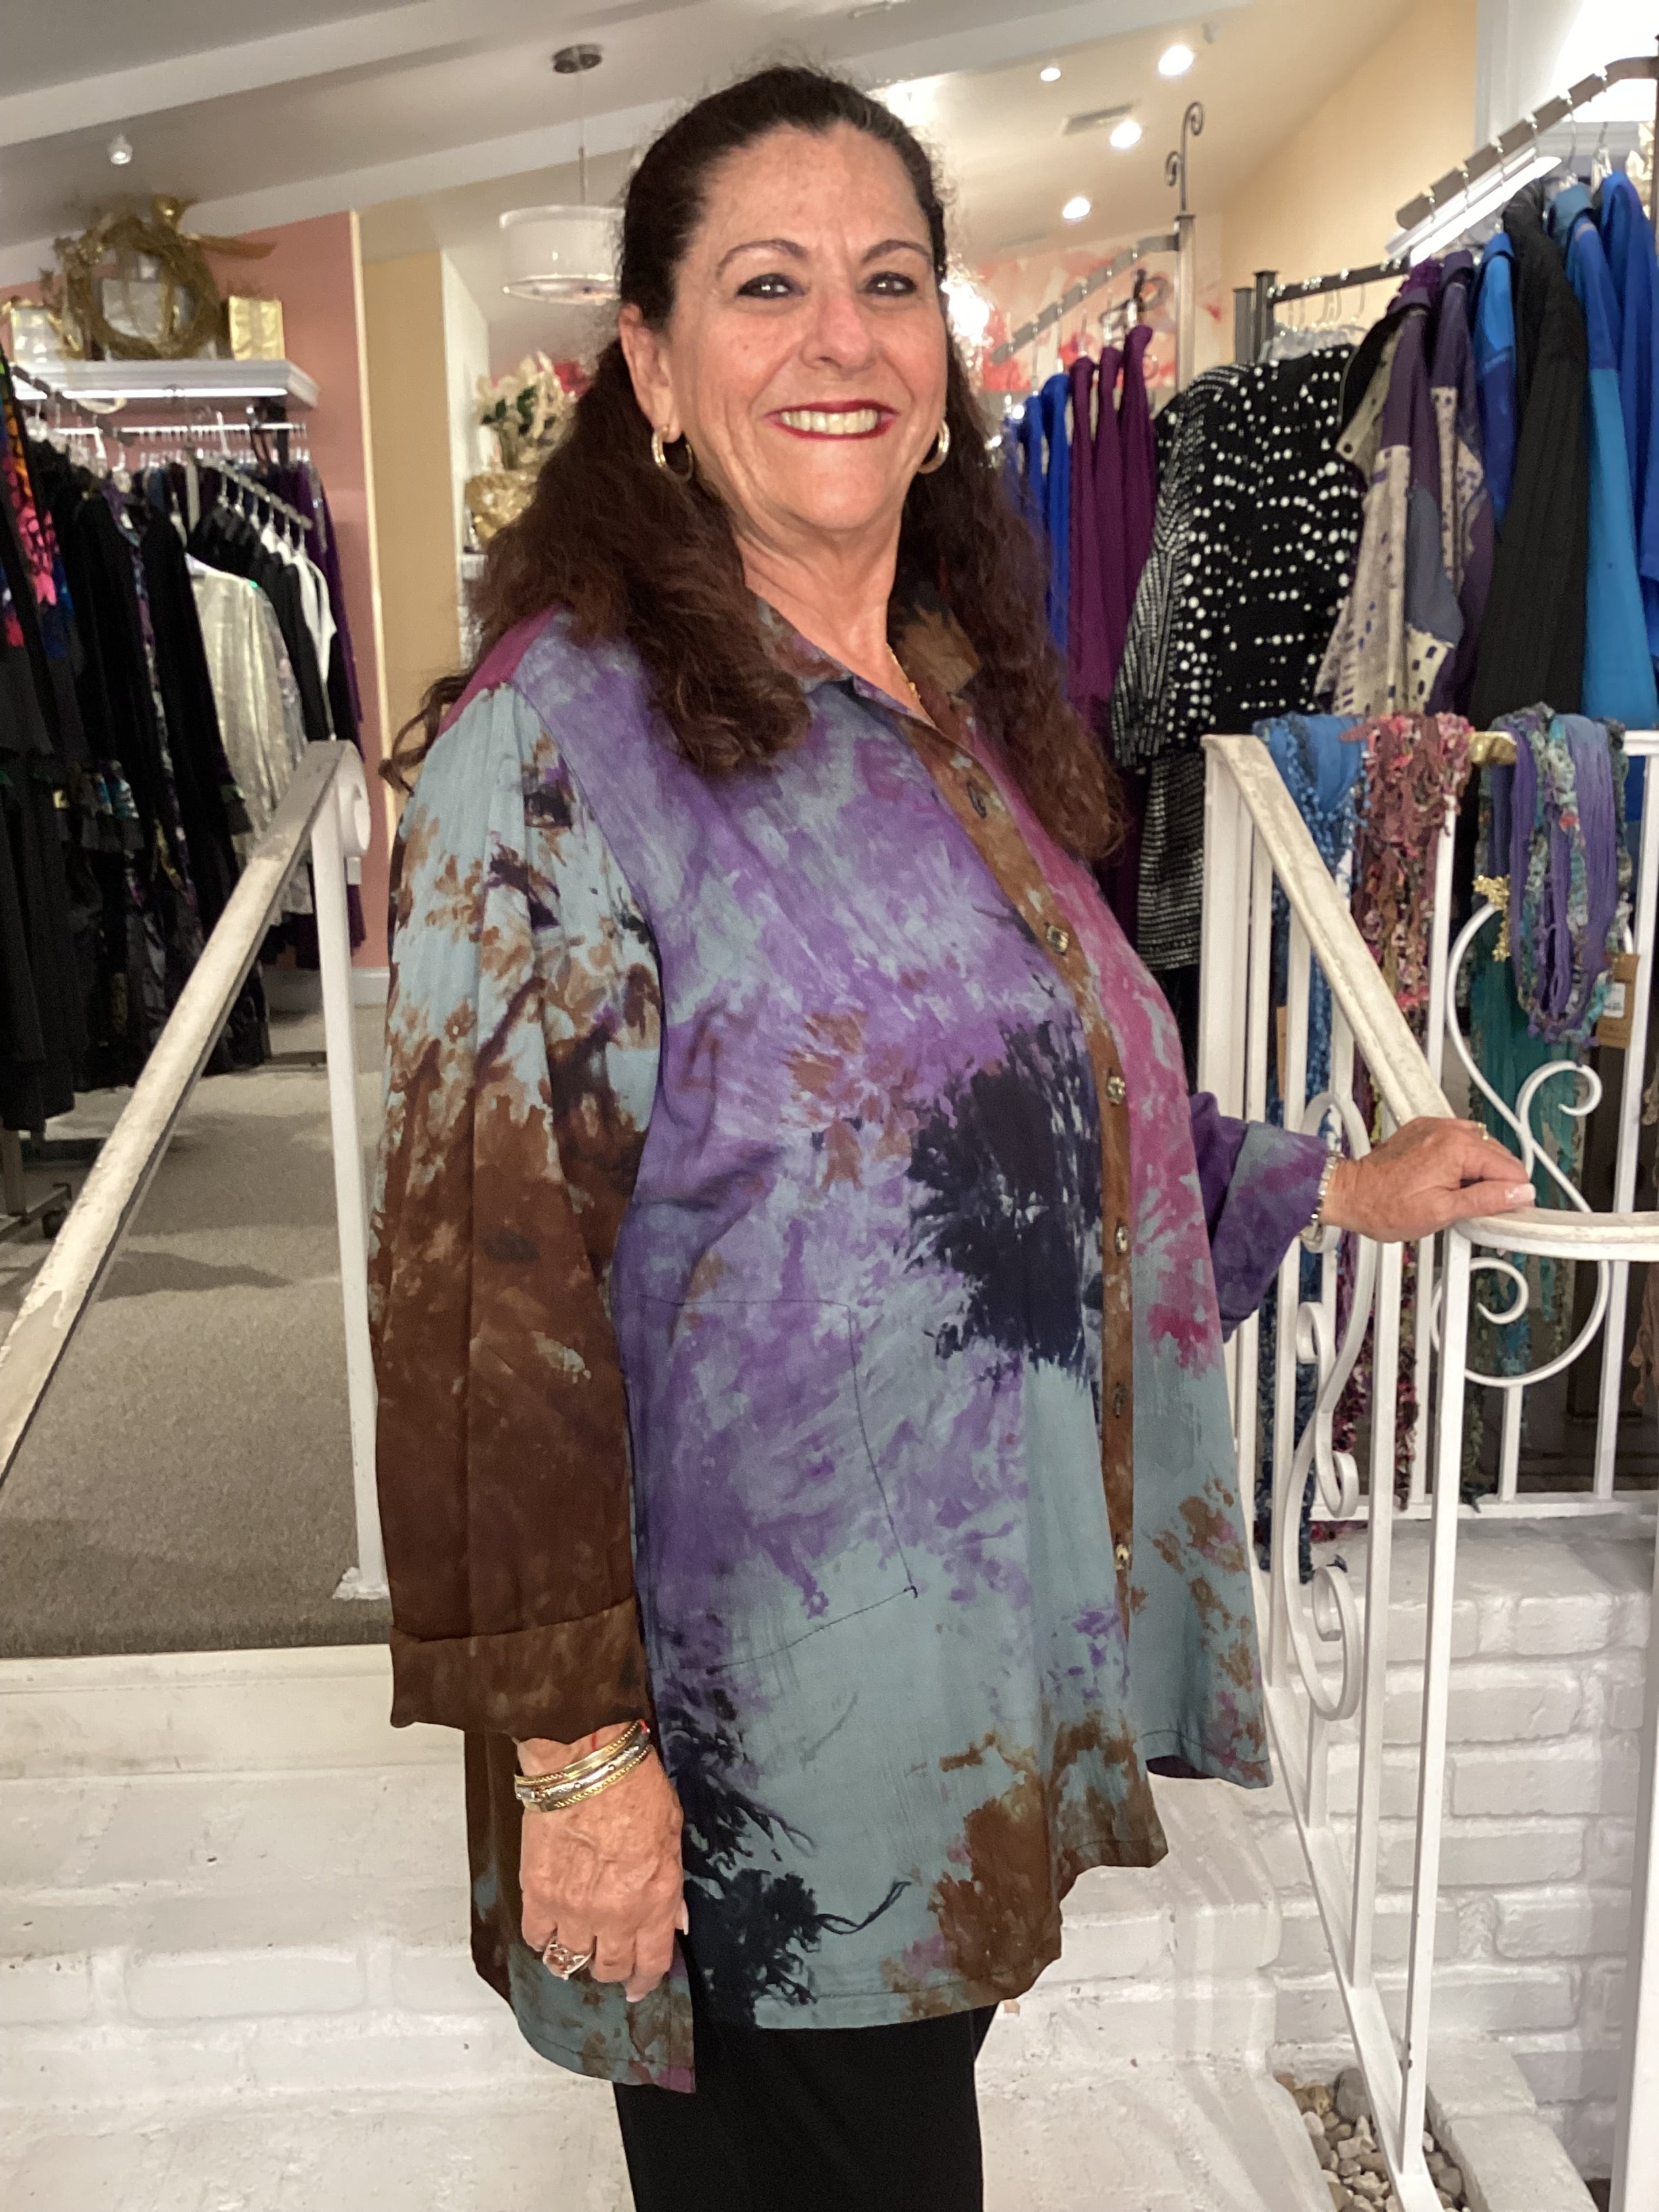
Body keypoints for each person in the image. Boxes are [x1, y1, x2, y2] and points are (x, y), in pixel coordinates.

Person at [369, 64, 1534, 2212]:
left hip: (961, 1689)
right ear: (650, 367)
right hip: (755, 1751)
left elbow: (1057, 1110)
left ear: (943, 352)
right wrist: (581, 1761)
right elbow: (480, 1326)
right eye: (767, 285)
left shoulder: (955, 698)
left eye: (889, 281)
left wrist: (1329, 1184)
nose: (843, 337)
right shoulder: (552, 750)